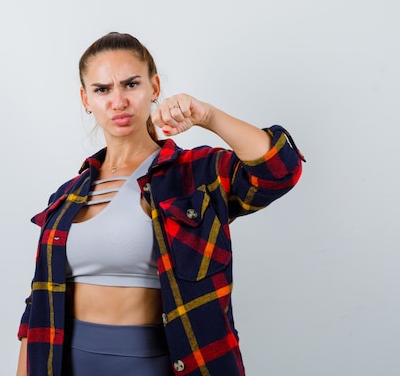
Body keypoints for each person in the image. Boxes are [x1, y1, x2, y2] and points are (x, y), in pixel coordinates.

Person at [16, 32, 305, 376]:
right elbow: (38, 309)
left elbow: (279, 170)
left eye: (131, 84)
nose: (118, 101)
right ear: (85, 98)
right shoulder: (66, 197)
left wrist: (208, 116)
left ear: (154, 88)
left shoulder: (195, 175)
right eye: (102, 89)